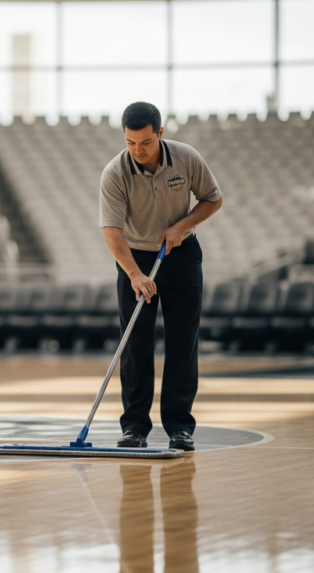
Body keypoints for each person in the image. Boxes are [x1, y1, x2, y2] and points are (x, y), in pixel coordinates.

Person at [99, 101, 223, 451]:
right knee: (135, 344)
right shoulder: (115, 173)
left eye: (145, 142)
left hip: (180, 256)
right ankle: (134, 427)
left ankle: (180, 426)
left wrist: (182, 226)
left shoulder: (186, 158)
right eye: (130, 142)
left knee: (183, 341)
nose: (138, 151)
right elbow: (112, 232)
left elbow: (213, 199)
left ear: (160, 134)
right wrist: (136, 275)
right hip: (135, 258)